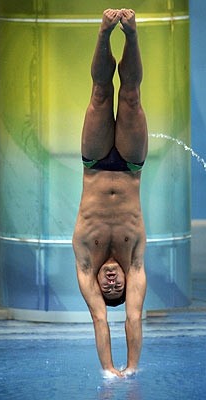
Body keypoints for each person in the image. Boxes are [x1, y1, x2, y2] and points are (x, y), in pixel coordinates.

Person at [72, 8, 148, 378]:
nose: (113, 283)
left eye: (109, 288)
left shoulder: (86, 263)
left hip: (96, 163)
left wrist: (108, 370)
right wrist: (131, 369)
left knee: (101, 94)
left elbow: (101, 320)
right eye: (118, 287)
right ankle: (131, 34)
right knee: (131, 96)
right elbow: (131, 317)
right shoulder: (134, 263)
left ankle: (104, 32)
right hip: (131, 166)